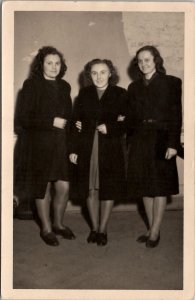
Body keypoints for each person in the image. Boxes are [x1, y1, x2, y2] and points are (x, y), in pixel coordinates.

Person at [15, 46, 75, 246]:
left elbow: (68, 115)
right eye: (49, 63)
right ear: (41, 65)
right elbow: (23, 119)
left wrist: (76, 123)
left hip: (61, 144)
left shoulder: (65, 86)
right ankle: (47, 229)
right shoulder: (31, 85)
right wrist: (51, 121)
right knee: (42, 188)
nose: (54, 67)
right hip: (39, 145)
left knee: (63, 187)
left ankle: (59, 224)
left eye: (57, 63)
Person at [126, 45, 182, 248]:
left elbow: (176, 117)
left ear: (156, 60)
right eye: (140, 61)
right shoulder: (133, 88)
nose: (143, 64)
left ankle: (155, 232)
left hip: (162, 138)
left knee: (159, 187)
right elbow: (130, 118)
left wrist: (173, 144)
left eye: (147, 60)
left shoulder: (172, 83)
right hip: (140, 139)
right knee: (144, 186)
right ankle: (151, 228)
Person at [69, 59, 126, 246]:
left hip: (109, 147)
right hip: (87, 147)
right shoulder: (84, 94)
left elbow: (128, 122)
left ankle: (103, 229)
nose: (98, 76)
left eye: (103, 72)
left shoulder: (120, 93)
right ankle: (94, 228)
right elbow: (75, 122)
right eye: (94, 73)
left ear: (111, 73)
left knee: (107, 188)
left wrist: (110, 127)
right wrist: (74, 149)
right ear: (89, 75)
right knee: (90, 188)